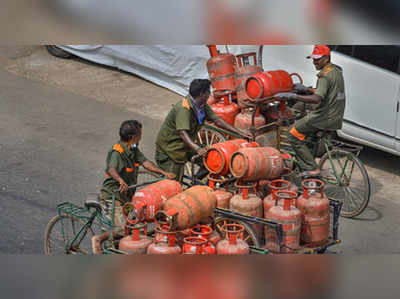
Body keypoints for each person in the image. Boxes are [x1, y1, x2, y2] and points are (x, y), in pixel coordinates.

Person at [155, 79, 248, 182]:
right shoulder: (184, 108)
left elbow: (217, 120)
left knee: (210, 161)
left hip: (186, 146)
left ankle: (195, 181)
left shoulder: (202, 106)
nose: (210, 94)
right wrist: (197, 149)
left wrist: (238, 133)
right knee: (173, 184)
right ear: (202, 94)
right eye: (208, 91)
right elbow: (182, 132)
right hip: (171, 150)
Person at [274, 45, 346, 176]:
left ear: (326, 58)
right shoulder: (336, 71)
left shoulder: (324, 76)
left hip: (324, 116)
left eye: (318, 59)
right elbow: (327, 92)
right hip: (336, 115)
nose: (314, 62)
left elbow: (317, 98)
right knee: (306, 137)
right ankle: (306, 166)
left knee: (292, 133)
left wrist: (295, 96)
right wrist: (307, 89)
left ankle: (312, 167)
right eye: (313, 59)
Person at [99, 120, 175, 226]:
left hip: (125, 197)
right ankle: (97, 240)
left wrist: (163, 172)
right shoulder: (117, 151)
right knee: (119, 230)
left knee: (134, 226)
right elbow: (111, 169)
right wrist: (120, 180)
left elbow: (145, 162)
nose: (141, 137)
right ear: (132, 137)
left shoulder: (133, 148)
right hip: (112, 197)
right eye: (140, 134)